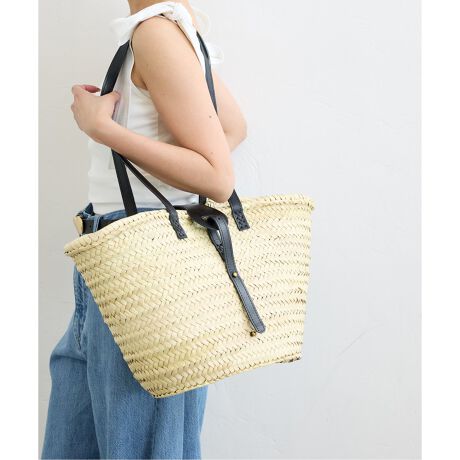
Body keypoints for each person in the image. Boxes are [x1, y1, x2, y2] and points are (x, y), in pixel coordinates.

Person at [41, 1, 247, 458]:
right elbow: (232, 128)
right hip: (107, 264)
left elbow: (217, 177)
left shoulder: (156, 32)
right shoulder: (161, 30)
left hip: (145, 268)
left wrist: (103, 129)